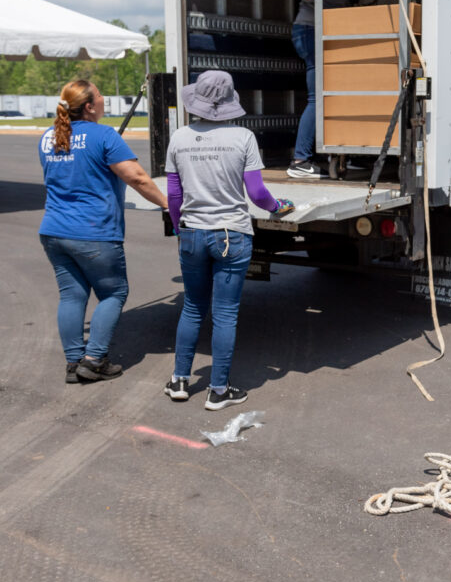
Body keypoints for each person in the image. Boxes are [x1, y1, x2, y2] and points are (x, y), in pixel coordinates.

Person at [164, 70, 294, 410]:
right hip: (231, 235)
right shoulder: (243, 138)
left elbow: (174, 195)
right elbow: (256, 193)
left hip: (193, 231)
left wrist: (180, 228)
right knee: (225, 314)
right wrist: (277, 207)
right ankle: (218, 390)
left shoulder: (179, 137)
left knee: (193, 307)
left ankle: (179, 380)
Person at [39, 78, 168, 384]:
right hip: (93, 231)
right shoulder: (104, 135)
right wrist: (168, 204)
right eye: (99, 96)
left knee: (72, 296)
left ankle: (74, 363)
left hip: (53, 231)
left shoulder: (47, 136)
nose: (104, 99)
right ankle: (94, 360)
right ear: (88, 106)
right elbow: (137, 178)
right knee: (114, 292)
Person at [287, 0, 355, 179]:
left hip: (325, 32)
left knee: (333, 95)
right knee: (318, 98)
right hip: (312, 32)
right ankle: (300, 160)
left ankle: (342, 153)